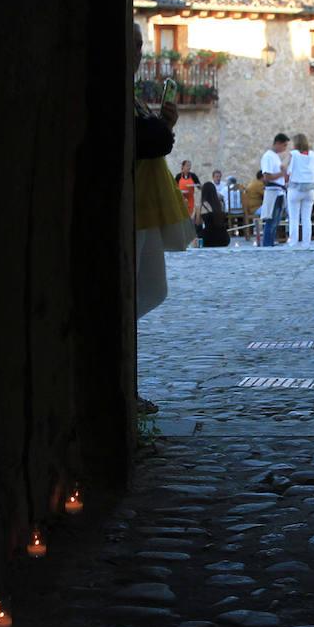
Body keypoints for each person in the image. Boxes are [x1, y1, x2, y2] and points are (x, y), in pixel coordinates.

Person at [131, 23, 194, 412]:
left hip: (145, 207)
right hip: (135, 207)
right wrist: (165, 126)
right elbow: (148, 141)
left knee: (152, 289)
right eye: (134, 43)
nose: (139, 52)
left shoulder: (133, 95)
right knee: (137, 291)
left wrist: (162, 124)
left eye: (141, 45)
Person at [284, 133, 314, 248]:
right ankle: (306, 243)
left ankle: (293, 242)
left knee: (294, 217)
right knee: (307, 218)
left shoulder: (293, 154)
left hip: (295, 188)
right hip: (309, 189)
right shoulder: (312, 154)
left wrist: (285, 176)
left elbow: (283, 166)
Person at [259, 133, 290, 247]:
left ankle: (270, 243)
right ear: (278, 143)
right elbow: (267, 176)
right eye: (284, 145)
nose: (285, 148)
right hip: (273, 191)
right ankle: (267, 244)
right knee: (271, 220)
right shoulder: (268, 156)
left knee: (276, 221)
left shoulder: (275, 156)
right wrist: (281, 174)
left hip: (279, 190)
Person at [198, 180, 230, 247]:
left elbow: (198, 223)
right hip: (224, 238)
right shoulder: (220, 204)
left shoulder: (201, 206)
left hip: (208, 239)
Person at [175, 160, 202, 238]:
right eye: (187, 165)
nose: (189, 167)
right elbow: (174, 187)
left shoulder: (193, 176)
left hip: (190, 199)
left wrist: (196, 185)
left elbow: (199, 187)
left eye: (190, 166)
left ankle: (190, 234)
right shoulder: (178, 176)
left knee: (190, 217)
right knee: (182, 216)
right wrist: (179, 191)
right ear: (183, 167)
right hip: (181, 199)